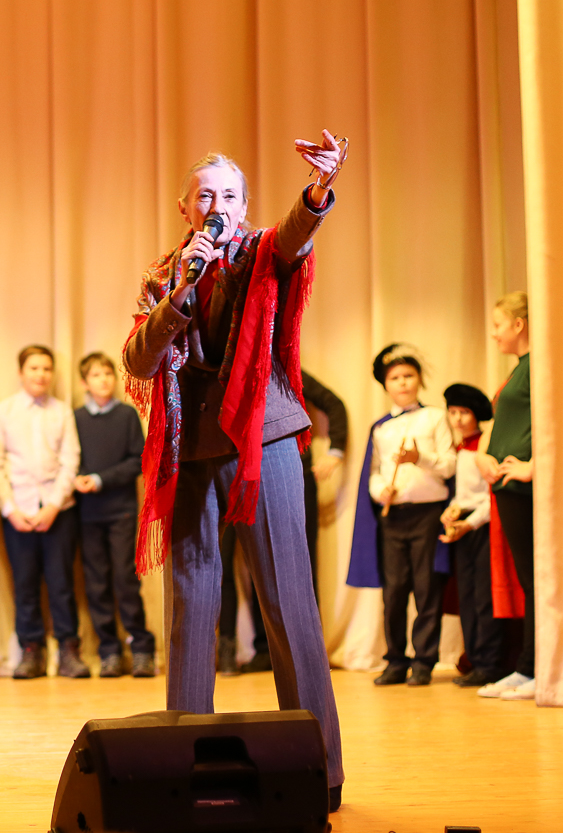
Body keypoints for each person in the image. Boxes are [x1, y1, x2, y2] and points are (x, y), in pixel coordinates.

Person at [121, 136, 349, 809]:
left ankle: (320, 770)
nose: (216, 205)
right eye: (205, 196)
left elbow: (293, 238)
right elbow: (138, 361)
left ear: (244, 206)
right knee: (191, 603)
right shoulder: (165, 276)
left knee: (286, 599)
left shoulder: (259, 254)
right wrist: (179, 294)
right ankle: (186, 761)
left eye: (228, 195)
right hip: (192, 451)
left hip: (263, 439)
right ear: (185, 208)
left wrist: (317, 194)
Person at [219, 370, 348, 675]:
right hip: (240, 472)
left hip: (292, 470)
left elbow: (334, 404)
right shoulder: (225, 370)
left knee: (298, 563)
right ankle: (262, 649)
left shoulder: (284, 367)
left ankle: (305, 651)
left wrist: (335, 451)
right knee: (246, 562)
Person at [0, 345, 85, 680]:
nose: (41, 374)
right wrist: (10, 509)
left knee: (61, 582)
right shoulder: (2, 412)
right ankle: (31, 651)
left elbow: (70, 461)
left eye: (46, 368)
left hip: (59, 509)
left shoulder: (62, 411)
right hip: (19, 512)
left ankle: (69, 650)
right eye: (34, 368)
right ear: (21, 372)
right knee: (25, 583)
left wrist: (54, 505)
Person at [361, 345, 456, 688]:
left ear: (419, 379)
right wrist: (379, 491)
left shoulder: (435, 418)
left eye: (408, 375)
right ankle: (395, 661)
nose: (402, 382)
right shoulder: (381, 429)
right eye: (395, 378)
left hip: (428, 514)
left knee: (427, 588)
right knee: (394, 592)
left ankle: (424, 661)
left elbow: (450, 466)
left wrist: (420, 459)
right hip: (393, 518)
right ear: (385, 385)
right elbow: (374, 473)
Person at [71, 352, 154, 678]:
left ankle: (142, 649)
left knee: (124, 580)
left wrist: (101, 479)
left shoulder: (126, 415)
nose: (103, 380)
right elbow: (68, 457)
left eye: (108, 373)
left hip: (120, 512)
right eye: (96, 375)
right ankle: (109, 652)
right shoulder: (75, 418)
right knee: (96, 583)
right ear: (84, 383)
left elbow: (138, 460)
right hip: (87, 514)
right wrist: (78, 478)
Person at [476, 291, 536, 702]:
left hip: (523, 487)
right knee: (526, 579)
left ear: (518, 324)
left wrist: (534, 466)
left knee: (534, 579)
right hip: (507, 488)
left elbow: (555, 419)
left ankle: (536, 669)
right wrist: (485, 456)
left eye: (498, 325)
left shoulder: (537, 367)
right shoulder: (519, 371)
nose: (494, 334)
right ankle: (527, 666)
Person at [438, 382, 507, 688]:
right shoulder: (459, 449)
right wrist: (452, 511)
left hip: (483, 526)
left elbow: (489, 497)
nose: (458, 419)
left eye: (464, 412)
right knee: (466, 595)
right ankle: (474, 659)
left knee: (484, 596)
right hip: (464, 527)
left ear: (476, 414)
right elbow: (462, 494)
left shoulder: (485, 448)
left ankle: (490, 663)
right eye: (452, 412)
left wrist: (471, 522)